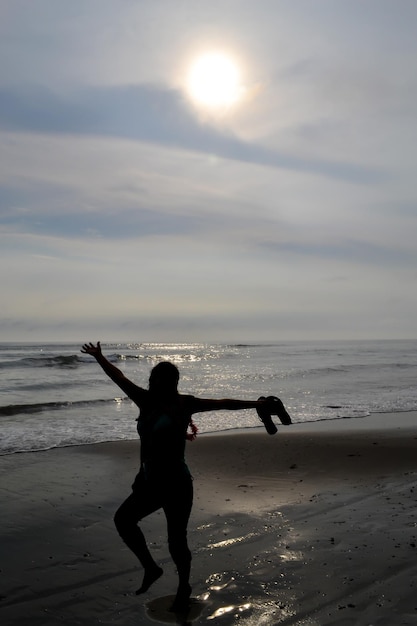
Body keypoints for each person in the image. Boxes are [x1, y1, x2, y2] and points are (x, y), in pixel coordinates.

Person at [80, 341, 290, 612]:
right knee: (123, 520)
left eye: (160, 379)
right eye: (154, 379)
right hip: (149, 481)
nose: (155, 382)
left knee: (176, 540)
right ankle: (151, 568)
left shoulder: (184, 404)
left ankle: (183, 587)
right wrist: (100, 357)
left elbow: (224, 404)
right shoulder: (144, 400)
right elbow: (117, 376)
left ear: (171, 382)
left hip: (178, 483)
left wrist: (257, 403)